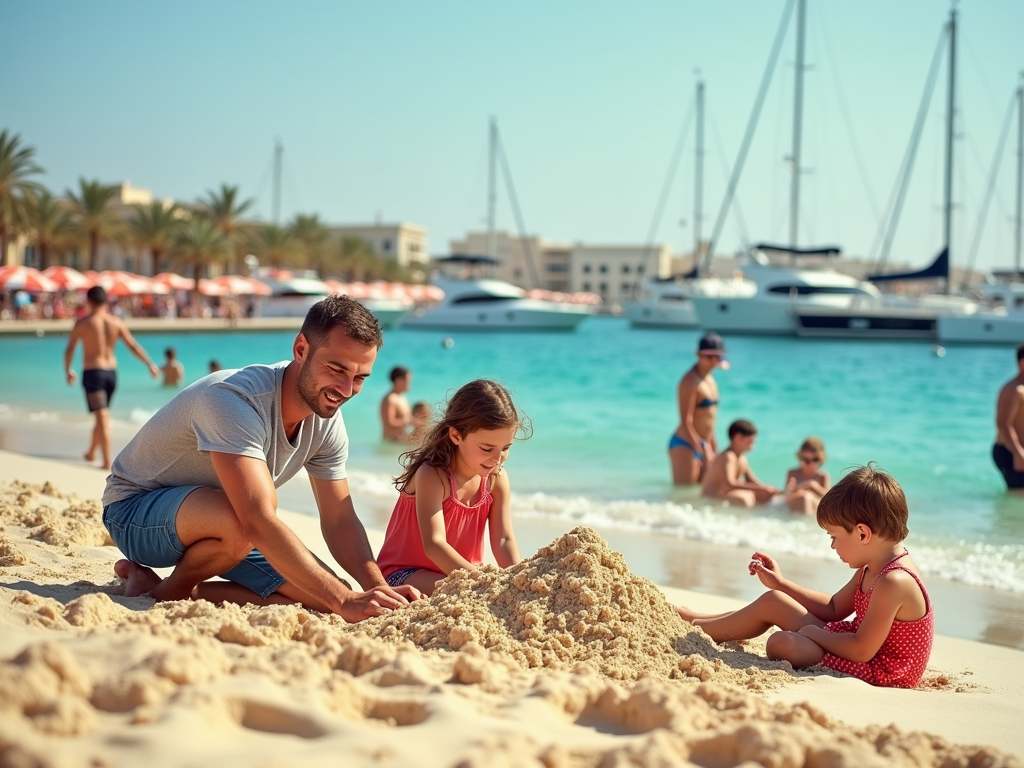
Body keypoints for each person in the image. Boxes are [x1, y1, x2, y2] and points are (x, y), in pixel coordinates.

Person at [100, 295, 420, 622]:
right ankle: (167, 594)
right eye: (337, 369)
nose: (347, 389)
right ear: (301, 349)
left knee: (328, 596)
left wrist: (376, 588)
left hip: (226, 520)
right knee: (324, 587)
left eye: (360, 378)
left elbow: (339, 519)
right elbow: (256, 518)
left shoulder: (327, 422)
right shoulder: (235, 399)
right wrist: (344, 601)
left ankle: (178, 589)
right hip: (135, 511)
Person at [675, 465, 933, 689]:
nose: (832, 546)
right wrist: (781, 584)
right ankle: (697, 622)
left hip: (879, 669)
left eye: (834, 537)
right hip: (855, 645)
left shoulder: (893, 580)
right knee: (774, 599)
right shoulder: (872, 566)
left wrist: (813, 633)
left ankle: (697, 627)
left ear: (863, 534)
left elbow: (862, 650)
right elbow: (833, 608)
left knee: (781, 643)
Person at [375, 379, 529, 596]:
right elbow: (434, 544)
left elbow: (504, 540)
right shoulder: (432, 474)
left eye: (506, 448)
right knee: (470, 593)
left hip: (462, 575)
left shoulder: (496, 478)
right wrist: (480, 581)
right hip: (403, 574)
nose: (498, 459)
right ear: (456, 435)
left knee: (481, 591)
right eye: (487, 448)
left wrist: (520, 581)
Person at [64, 285, 160, 471]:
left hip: (93, 374)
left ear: (89, 301)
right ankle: (91, 452)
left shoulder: (83, 323)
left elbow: (70, 349)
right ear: (106, 301)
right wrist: (150, 364)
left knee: (102, 417)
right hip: (111, 375)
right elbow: (132, 345)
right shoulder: (116, 322)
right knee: (102, 413)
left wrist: (68, 369)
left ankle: (107, 461)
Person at [669, 332, 729, 485]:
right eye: (709, 357)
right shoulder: (689, 382)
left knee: (701, 494)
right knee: (684, 493)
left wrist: (712, 443)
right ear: (698, 355)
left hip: (704, 444)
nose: (714, 361)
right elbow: (686, 421)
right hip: (685, 444)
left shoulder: (711, 380)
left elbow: (709, 416)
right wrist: (701, 448)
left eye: (718, 357)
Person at [701, 419, 779, 507]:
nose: (753, 443)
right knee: (745, 499)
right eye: (750, 441)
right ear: (738, 437)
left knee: (765, 496)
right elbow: (729, 484)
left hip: (726, 495)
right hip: (712, 499)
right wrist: (760, 489)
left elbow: (752, 480)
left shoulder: (742, 457)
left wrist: (769, 490)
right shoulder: (728, 456)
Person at [993, 343, 1024, 491]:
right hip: (1010, 451)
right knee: (1019, 496)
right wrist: (1017, 453)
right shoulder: (1013, 389)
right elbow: (1003, 424)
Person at [784, 437, 831, 514]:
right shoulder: (793, 473)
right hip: (796, 501)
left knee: (806, 497)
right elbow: (786, 494)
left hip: (813, 504)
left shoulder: (822, 476)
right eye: (807, 460)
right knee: (804, 497)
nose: (811, 464)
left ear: (821, 459)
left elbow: (829, 498)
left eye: (815, 460)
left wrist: (813, 486)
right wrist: (789, 490)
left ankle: (806, 523)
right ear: (800, 458)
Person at [380, 365, 413, 442]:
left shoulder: (403, 398)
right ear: (398, 380)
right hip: (391, 445)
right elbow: (390, 423)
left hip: (401, 444)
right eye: (407, 381)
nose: (409, 384)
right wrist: (410, 421)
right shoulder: (390, 399)